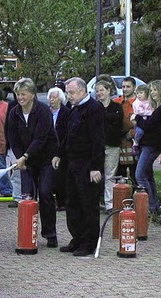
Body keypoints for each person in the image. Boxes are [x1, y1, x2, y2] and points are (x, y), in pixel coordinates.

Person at [52, 77, 104, 257]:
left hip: (88, 164)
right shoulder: (73, 110)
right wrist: (59, 153)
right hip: (72, 163)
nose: (69, 96)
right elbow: (68, 134)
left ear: (83, 91)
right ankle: (77, 238)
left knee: (88, 204)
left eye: (72, 92)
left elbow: (98, 140)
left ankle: (89, 242)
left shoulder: (94, 109)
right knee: (72, 202)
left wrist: (96, 167)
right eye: (67, 93)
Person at [7, 78, 58, 248]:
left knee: (45, 193)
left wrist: (25, 156)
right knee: (27, 197)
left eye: (23, 94)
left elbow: (41, 138)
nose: (20, 97)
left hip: (45, 159)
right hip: (26, 162)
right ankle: (27, 234)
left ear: (32, 95)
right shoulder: (14, 113)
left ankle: (50, 234)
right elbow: (12, 138)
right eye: (18, 94)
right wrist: (20, 157)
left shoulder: (43, 111)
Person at [134, 80, 161, 215]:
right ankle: (154, 205)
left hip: (152, 145)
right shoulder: (154, 106)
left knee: (140, 175)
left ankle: (147, 204)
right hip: (145, 143)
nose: (153, 93)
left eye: (155, 90)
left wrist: (137, 118)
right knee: (148, 175)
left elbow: (148, 126)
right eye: (152, 90)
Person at [95, 80, 123, 213]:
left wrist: (107, 119)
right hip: (97, 146)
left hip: (112, 145)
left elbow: (117, 122)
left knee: (110, 175)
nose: (99, 93)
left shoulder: (117, 107)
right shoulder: (95, 107)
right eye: (97, 91)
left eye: (102, 90)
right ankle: (95, 201)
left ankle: (109, 203)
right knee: (96, 174)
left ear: (108, 90)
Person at [48, 87, 70, 211]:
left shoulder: (66, 113)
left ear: (60, 99)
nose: (52, 99)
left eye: (54, 97)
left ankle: (62, 202)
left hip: (63, 148)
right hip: (49, 149)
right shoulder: (46, 112)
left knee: (61, 176)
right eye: (50, 97)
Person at [113, 77, 138, 183]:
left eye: (128, 87)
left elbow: (145, 123)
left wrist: (133, 133)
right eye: (123, 86)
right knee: (119, 176)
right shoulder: (116, 102)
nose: (125, 89)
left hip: (134, 144)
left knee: (135, 175)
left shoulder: (139, 103)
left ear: (134, 87)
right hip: (118, 143)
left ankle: (136, 197)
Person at [131, 84, 154, 156]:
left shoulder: (149, 101)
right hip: (139, 123)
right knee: (140, 132)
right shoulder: (137, 103)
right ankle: (135, 143)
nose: (139, 95)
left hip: (146, 121)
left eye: (141, 93)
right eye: (137, 93)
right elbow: (140, 112)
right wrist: (150, 113)